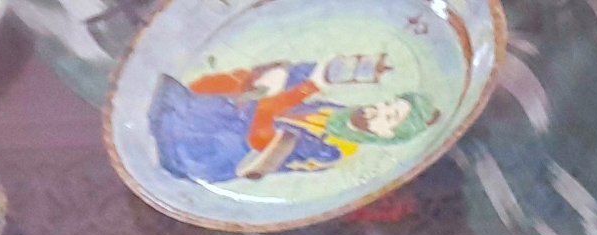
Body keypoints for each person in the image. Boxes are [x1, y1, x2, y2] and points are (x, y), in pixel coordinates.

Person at [147, 61, 439, 185]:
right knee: (248, 87)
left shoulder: (331, 150)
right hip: (239, 123)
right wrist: (303, 75)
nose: (379, 109)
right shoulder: (339, 114)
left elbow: (263, 139)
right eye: (388, 104)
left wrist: (309, 86)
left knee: (227, 111)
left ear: (386, 134)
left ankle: (176, 123)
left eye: (389, 117)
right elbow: (290, 99)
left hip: (220, 151)